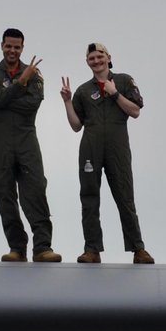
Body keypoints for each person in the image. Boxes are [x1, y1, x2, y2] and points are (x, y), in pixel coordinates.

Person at [60, 42, 154, 264]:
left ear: (108, 57)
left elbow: (136, 110)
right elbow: (76, 125)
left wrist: (114, 93)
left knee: (124, 195)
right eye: (91, 58)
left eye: (100, 56)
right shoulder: (84, 91)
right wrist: (66, 102)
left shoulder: (122, 80)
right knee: (89, 197)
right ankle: (92, 249)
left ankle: (138, 248)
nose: (96, 60)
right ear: (87, 62)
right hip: (90, 147)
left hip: (117, 146)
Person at [0, 28, 61, 263]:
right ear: (2, 46)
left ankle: (43, 247)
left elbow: (31, 105)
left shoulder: (34, 73)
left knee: (35, 190)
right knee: (4, 193)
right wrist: (20, 83)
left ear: (22, 48)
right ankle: (17, 247)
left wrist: (5, 98)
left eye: (17, 47)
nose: (12, 51)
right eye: (9, 46)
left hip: (26, 139)